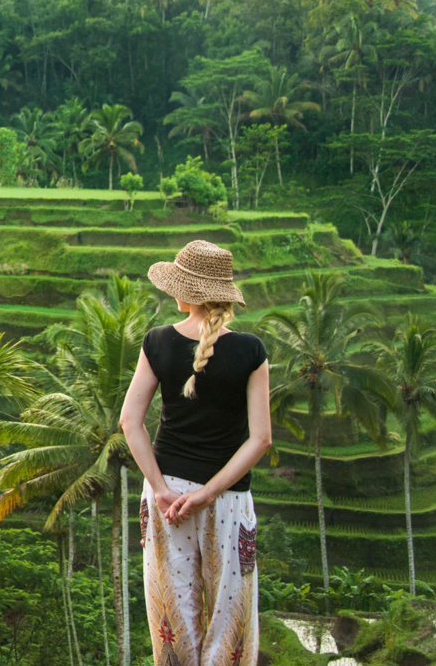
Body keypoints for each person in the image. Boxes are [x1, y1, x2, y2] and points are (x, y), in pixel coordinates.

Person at [119, 240, 271, 666]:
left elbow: (130, 422)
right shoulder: (251, 351)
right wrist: (208, 494)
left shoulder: (157, 342)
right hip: (228, 498)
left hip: (167, 495)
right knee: (231, 621)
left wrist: (159, 488)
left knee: (172, 618)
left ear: (189, 291)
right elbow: (260, 439)